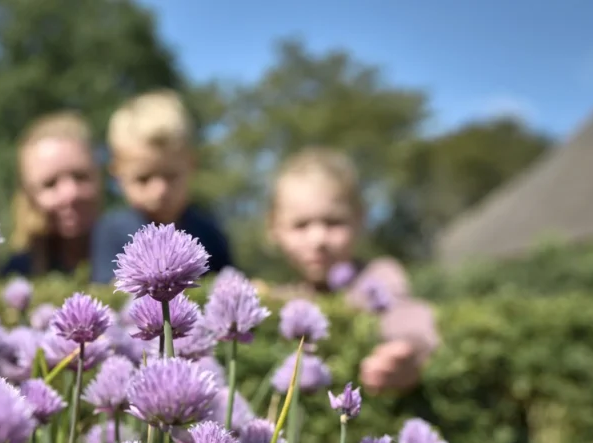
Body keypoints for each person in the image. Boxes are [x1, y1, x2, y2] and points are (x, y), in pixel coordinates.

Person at [267, 147, 439, 393]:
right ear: (275, 228)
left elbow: (405, 311)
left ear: (360, 219)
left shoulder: (378, 274)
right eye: (301, 225)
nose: (318, 239)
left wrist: (409, 349)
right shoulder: (282, 297)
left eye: (333, 222)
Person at [90, 89, 233, 283]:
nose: (160, 191)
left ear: (191, 164)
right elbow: (109, 290)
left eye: (171, 176)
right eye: (143, 178)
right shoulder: (111, 231)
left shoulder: (210, 233)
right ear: (116, 172)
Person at [1, 111, 103, 278]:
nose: (70, 194)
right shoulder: (16, 274)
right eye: (50, 184)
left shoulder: (131, 250)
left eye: (80, 176)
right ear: (29, 196)